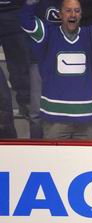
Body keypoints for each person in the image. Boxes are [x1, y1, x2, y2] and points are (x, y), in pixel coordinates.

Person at [19, 0, 92, 139]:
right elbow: (25, 19)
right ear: (60, 14)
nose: (73, 14)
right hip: (55, 121)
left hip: (86, 121)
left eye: (77, 11)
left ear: (81, 15)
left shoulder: (90, 36)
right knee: (54, 161)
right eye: (68, 10)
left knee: (87, 162)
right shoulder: (47, 35)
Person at [0, 0, 31, 138]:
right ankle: (7, 137)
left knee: (21, 71)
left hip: (15, 9)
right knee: (3, 99)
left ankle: (26, 103)